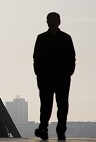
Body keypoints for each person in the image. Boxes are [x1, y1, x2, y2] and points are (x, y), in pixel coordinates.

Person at [33, 12, 76, 141]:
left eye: (54, 20)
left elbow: (71, 58)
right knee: (46, 105)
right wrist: (39, 74)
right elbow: (36, 58)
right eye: (50, 20)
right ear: (47, 22)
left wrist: (68, 72)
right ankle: (45, 128)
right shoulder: (42, 38)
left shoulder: (65, 38)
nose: (51, 22)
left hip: (61, 77)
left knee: (61, 105)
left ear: (59, 22)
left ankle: (58, 130)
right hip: (46, 77)